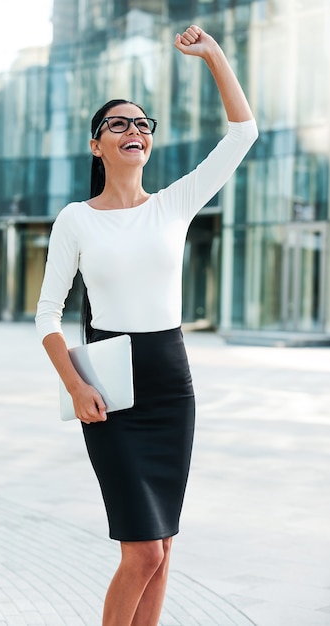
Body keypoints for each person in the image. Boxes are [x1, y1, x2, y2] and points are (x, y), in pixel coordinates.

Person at [35, 23, 258, 626]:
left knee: (163, 553)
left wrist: (214, 55)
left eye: (142, 124)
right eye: (119, 124)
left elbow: (243, 133)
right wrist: (76, 386)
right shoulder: (76, 220)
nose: (133, 131)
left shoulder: (172, 204)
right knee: (141, 553)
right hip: (109, 387)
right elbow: (46, 316)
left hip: (170, 383)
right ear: (96, 145)